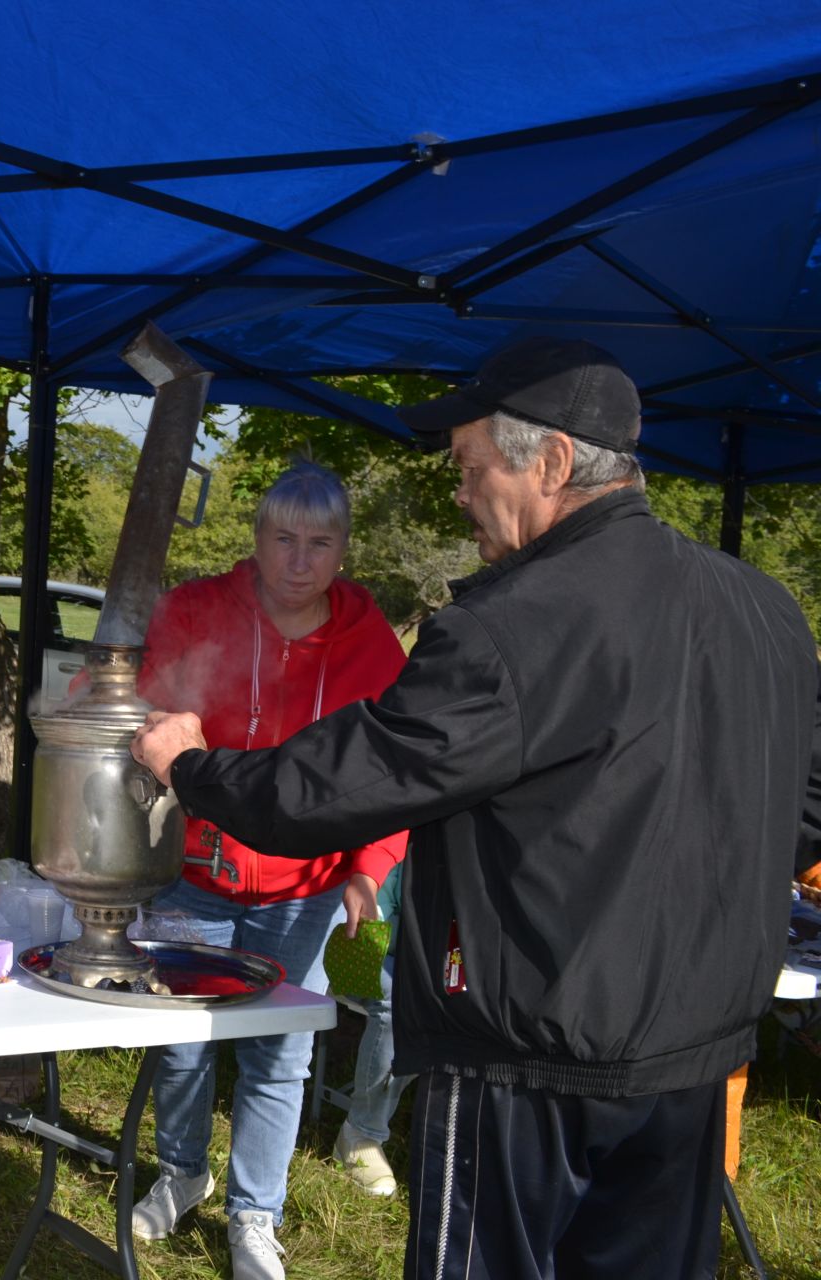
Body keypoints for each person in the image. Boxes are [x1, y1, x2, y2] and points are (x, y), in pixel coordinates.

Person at [130, 337, 821, 1279]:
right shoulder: (765, 608)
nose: (459, 494)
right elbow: (803, 803)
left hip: (525, 1066)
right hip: (694, 1056)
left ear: (553, 462)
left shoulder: (513, 624)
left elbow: (345, 786)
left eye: (469, 468)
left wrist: (195, 770)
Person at [127, 461, 409, 1280]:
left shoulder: (372, 646)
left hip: (307, 890)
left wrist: (368, 866)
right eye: (283, 539)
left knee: (279, 1056)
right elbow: (135, 705)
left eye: (320, 543)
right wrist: (153, 715)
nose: (299, 561)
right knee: (182, 1043)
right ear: (256, 539)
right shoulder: (196, 609)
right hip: (192, 873)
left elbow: (393, 773)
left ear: (343, 551)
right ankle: (182, 1172)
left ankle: (256, 1216)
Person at [330, 860, 412, 1197]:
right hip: (362, 944)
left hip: (428, 965)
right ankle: (361, 1134)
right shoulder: (412, 840)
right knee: (403, 1001)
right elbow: (372, 913)